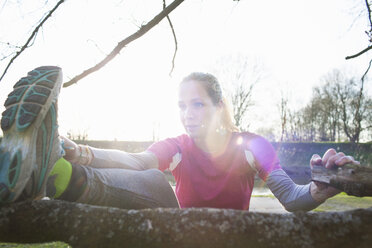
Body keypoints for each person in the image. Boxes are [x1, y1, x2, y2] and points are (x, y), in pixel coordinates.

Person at [0, 66, 359, 211]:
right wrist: (79, 151)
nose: (187, 114)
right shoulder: (178, 147)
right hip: (177, 238)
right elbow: (136, 161)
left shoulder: (251, 145)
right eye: (182, 106)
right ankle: (54, 170)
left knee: (154, 180)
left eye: (198, 104)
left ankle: (54, 170)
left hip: (234, 241)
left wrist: (320, 187)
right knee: (153, 180)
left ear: (219, 106)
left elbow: (291, 197)